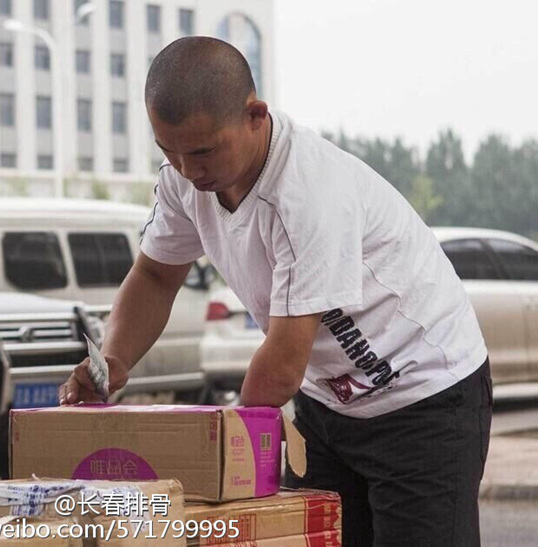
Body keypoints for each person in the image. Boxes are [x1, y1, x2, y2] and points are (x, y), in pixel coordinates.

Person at [60, 36, 492, 547]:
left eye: (202, 151)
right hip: (327, 402)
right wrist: (115, 359)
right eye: (168, 151)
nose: (187, 169)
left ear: (255, 114)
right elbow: (156, 276)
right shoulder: (183, 182)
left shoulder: (307, 192)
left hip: (423, 396)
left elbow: (282, 363)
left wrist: (222, 450)